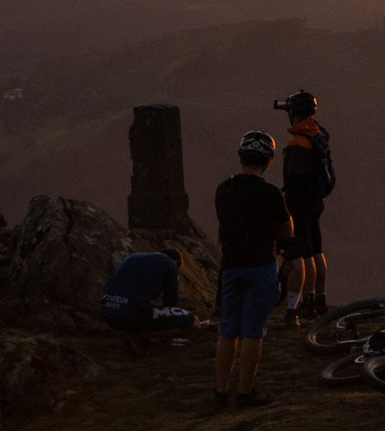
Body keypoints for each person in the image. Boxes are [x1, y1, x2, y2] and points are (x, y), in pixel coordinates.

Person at [213, 130, 293, 409]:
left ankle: (220, 392)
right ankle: (245, 393)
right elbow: (286, 230)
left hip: (231, 267)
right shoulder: (270, 193)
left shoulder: (223, 189)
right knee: (253, 331)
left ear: (241, 157)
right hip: (261, 266)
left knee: (228, 331)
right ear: (268, 161)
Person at [277, 89, 333, 326]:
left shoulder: (298, 142)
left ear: (294, 114)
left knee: (305, 252)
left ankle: (307, 303)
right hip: (315, 201)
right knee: (317, 250)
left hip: (300, 204)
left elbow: (294, 180)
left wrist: (287, 206)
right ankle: (321, 300)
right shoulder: (317, 134)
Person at [100, 248, 200, 350]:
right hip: (131, 316)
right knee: (194, 322)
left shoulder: (133, 257)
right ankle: (138, 335)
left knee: (144, 312)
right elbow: (170, 303)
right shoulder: (170, 264)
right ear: (177, 262)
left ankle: (132, 331)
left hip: (108, 313)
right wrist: (168, 338)